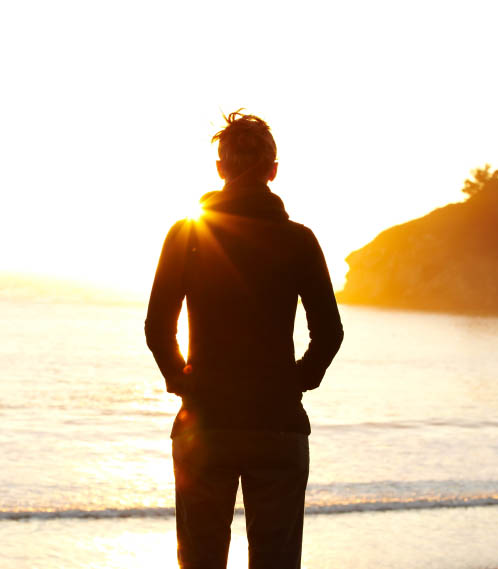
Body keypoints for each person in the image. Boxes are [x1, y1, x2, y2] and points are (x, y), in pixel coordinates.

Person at [145, 110, 343, 569]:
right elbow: (329, 333)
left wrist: (183, 381)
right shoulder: (299, 240)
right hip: (277, 423)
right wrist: (295, 382)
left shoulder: (187, 233)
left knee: (200, 558)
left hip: (205, 423)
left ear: (220, 168)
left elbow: (158, 328)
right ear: (274, 170)